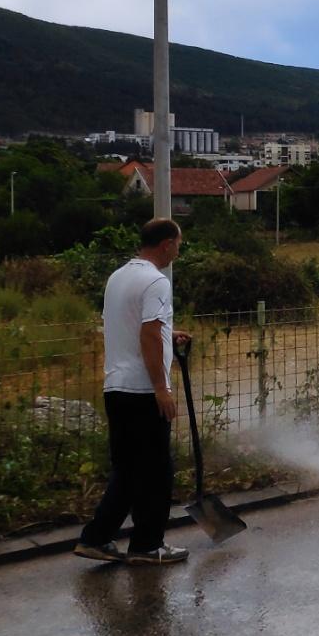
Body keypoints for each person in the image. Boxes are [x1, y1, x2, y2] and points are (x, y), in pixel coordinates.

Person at [75, 218, 192, 566]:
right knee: (157, 470)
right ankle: (147, 545)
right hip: (143, 390)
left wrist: (168, 335)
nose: (178, 252)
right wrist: (161, 388)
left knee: (128, 470)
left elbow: (132, 327)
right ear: (166, 244)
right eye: (178, 246)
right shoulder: (156, 281)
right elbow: (147, 334)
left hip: (116, 387)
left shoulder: (118, 277)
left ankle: (96, 538)